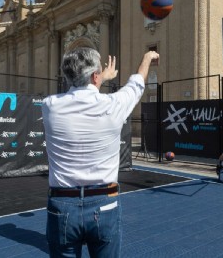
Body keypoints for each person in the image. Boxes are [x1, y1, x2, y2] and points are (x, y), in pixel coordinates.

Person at [42, 47, 159, 258]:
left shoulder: (50, 105)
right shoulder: (113, 104)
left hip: (62, 205)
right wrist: (148, 57)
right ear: (95, 76)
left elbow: (82, 89)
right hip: (104, 203)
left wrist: (99, 77)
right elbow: (137, 83)